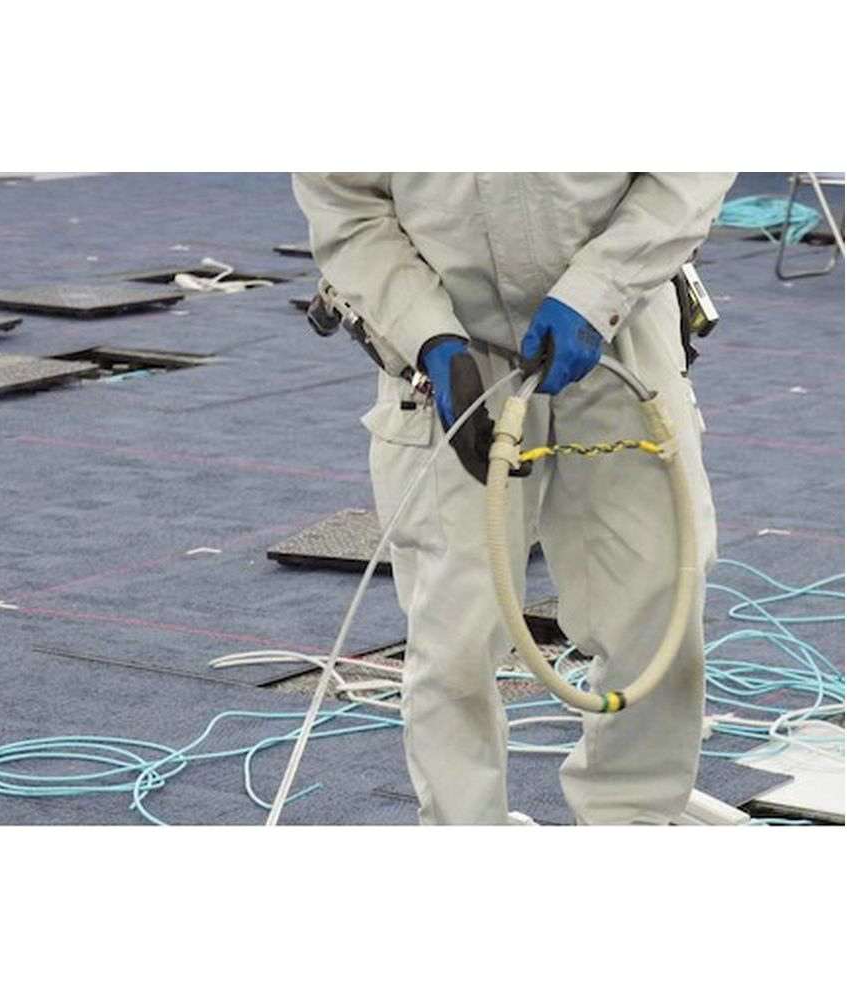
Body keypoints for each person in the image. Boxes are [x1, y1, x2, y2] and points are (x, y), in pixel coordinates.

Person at [292, 173, 735, 825]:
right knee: (453, 633)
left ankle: (631, 820)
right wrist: (426, 337)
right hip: (450, 347)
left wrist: (601, 290)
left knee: (656, 598)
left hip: (621, 332)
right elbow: (347, 207)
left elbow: (688, 171)